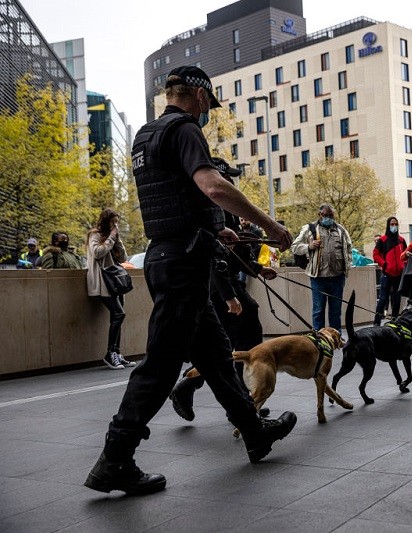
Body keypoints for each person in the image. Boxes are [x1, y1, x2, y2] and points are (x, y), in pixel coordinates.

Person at [84, 66, 296, 497]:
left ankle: (255, 433)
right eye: (208, 104)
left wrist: (216, 229)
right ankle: (114, 459)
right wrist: (270, 226)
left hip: (171, 254)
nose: (207, 113)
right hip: (183, 264)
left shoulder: (146, 136)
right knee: (161, 364)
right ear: (198, 95)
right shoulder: (184, 130)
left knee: (216, 357)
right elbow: (211, 186)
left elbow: (174, 197)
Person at [170, 157, 278, 422]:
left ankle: (226, 398)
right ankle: (241, 402)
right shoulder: (210, 204)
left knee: (223, 346)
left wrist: (257, 268)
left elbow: (235, 250)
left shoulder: (224, 207)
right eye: (227, 175)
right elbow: (214, 255)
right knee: (237, 336)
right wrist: (228, 295)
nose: (231, 180)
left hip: (223, 281)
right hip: (216, 284)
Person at [291, 203, 352, 333]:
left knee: (335, 311)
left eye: (331, 215)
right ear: (320, 215)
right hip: (318, 278)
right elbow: (294, 247)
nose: (328, 218)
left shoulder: (341, 230)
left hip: (337, 277)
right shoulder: (310, 229)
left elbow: (349, 249)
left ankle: (336, 337)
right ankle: (319, 338)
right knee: (318, 310)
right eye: (325, 215)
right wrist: (309, 246)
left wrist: (348, 266)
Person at [87, 208, 135, 370]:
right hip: (102, 281)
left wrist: (118, 239)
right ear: (105, 221)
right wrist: (111, 238)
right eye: (112, 221)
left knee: (117, 316)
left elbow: (123, 258)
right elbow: (97, 252)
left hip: (114, 281)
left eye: (117, 221)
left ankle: (117, 353)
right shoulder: (95, 234)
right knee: (119, 313)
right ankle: (110, 353)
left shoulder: (113, 237)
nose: (115, 224)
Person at [372, 216, 407, 325]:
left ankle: (395, 319)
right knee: (383, 298)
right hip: (387, 273)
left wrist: (403, 265)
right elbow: (375, 254)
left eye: (395, 224)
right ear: (388, 225)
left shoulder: (401, 240)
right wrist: (384, 264)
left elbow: (406, 254)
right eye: (392, 224)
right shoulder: (382, 240)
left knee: (396, 299)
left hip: (399, 274)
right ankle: (377, 322)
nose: (394, 226)